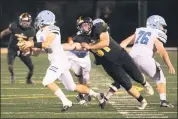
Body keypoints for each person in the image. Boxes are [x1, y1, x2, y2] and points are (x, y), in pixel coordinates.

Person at [17, 10, 104, 112]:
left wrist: (31, 43)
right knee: (71, 87)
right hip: (57, 62)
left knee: (47, 81)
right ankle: (97, 95)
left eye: (39, 19)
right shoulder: (39, 32)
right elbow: (36, 52)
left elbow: (46, 44)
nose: (37, 22)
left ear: (44, 19)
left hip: (59, 61)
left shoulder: (53, 29)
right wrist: (27, 51)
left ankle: (66, 102)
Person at [77, 16, 154, 110]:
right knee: (126, 84)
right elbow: (74, 45)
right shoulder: (81, 38)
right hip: (109, 64)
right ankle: (142, 101)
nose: (83, 28)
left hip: (120, 55)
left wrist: (90, 46)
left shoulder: (98, 27)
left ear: (90, 24)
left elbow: (105, 42)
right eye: (81, 26)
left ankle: (144, 83)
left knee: (137, 76)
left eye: (84, 25)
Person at [120, 15, 175, 107]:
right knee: (160, 78)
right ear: (155, 25)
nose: (162, 28)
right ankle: (163, 101)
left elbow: (123, 43)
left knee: (123, 79)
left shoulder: (140, 30)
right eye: (161, 25)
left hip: (131, 57)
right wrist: (170, 65)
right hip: (145, 59)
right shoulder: (155, 34)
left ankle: (106, 96)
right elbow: (162, 51)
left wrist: (118, 55)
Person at [0, 13, 35, 84]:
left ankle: (28, 79)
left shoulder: (31, 31)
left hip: (22, 50)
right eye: (23, 21)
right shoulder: (14, 26)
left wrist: (29, 50)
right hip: (12, 48)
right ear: (20, 20)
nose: (25, 23)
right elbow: (4, 32)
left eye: (26, 21)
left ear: (30, 21)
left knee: (31, 67)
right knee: (10, 65)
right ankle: (12, 75)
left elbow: (30, 42)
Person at [66, 32, 92, 105]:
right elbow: (70, 45)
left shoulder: (91, 37)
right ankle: (83, 93)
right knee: (79, 75)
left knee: (85, 78)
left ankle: (82, 93)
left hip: (85, 56)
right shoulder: (76, 38)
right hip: (75, 56)